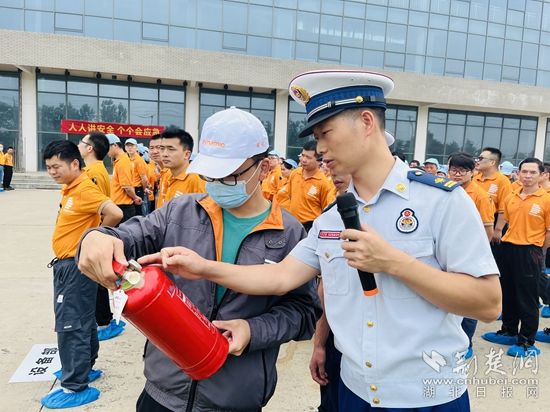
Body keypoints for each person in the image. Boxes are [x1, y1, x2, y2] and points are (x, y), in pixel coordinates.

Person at [82, 70, 501, 411]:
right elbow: (282, 277)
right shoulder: (332, 219)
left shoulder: (441, 202)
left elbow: (488, 303)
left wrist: (394, 263)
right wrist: (200, 266)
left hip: (426, 394)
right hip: (354, 389)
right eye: (314, 138)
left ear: (366, 123)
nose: (319, 148)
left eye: (326, 133)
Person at [77, 107, 320, 412]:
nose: (216, 183)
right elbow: (133, 234)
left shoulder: (289, 233)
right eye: (210, 175)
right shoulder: (181, 211)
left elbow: (304, 312)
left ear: (263, 167)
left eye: (229, 176)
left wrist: (253, 330)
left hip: (233, 396)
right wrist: (97, 237)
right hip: (164, 388)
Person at [41, 140, 122, 409]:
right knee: (83, 319)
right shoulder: (71, 187)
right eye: (48, 167)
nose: (52, 172)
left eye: (56, 166)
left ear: (75, 163)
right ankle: (84, 368)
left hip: (72, 267)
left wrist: (94, 238)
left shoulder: (84, 188)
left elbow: (114, 213)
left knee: (70, 324)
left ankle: (74, 385)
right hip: (69, 266)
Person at [482, 158, 550, 357]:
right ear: (518, 173)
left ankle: (526, 341)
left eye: (532, 172)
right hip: (508, 247)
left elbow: (548, 232)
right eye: (524, 172)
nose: (527, 176)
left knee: (527, 298)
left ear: (541, 175)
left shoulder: (546, 199)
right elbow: (507, 218)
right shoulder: (512, 195)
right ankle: (509, 330)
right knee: (508, 292)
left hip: (530, 251)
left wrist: (538, 250)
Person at [447, 152, 495, 360]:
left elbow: (488, 229)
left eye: (463, 171)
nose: (457, 174)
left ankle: (466, 343)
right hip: (448, 251)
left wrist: (479, 254)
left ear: (472, 172)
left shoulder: (480, 196)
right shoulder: (444, 189)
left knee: (468, 300)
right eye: (454, 170)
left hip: (469, 253)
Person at [310, 169, 351, 412]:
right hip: (338, 339)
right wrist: (319, 345)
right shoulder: (329, 218)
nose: (334, 171)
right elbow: (326, 287)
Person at [278, 140, 335, 232]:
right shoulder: (295, 173)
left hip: (310, 228)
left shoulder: (323, 183)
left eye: (308, 157)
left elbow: (326, 210)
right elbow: (289, 196)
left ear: (319, 161)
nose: (303, 160)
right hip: (293, 225)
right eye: (303, 155)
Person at [156, 126, 205, 208]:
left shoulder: (196, 180)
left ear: (186, 154)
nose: (164, 154)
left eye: (171, 149)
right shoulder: (166, 174)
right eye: (162, 148)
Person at [473, 147, 512, 244]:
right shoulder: (474, 178)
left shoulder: (503, 181)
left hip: (492, 222)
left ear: (492, 162)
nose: (477, 161)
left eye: (481, 158)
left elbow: (504, 209)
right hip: (474, 220)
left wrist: (498, 230)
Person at [107, 134, 141, 222]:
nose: (105, 151)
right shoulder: (120, 161)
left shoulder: (123, 162)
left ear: (115, 145)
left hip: (123, 207)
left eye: (107, 147)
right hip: (120, 205)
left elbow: (127, 187)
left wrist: (135, 197)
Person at [78, 132, 110, 197]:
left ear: (89, 148)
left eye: (81, 142)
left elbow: (97, 201)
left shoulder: (93, 172)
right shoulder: (96, 169)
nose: (78, 145)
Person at [125, 138, 149, 216]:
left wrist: (143, 189)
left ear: (136, 147)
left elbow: (144, 178)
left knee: (137, 213)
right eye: (128, 146)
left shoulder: (139, 160)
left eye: (132, 146)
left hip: (137, 189)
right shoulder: (127, 159)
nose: (130, 148)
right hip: (130, 189)